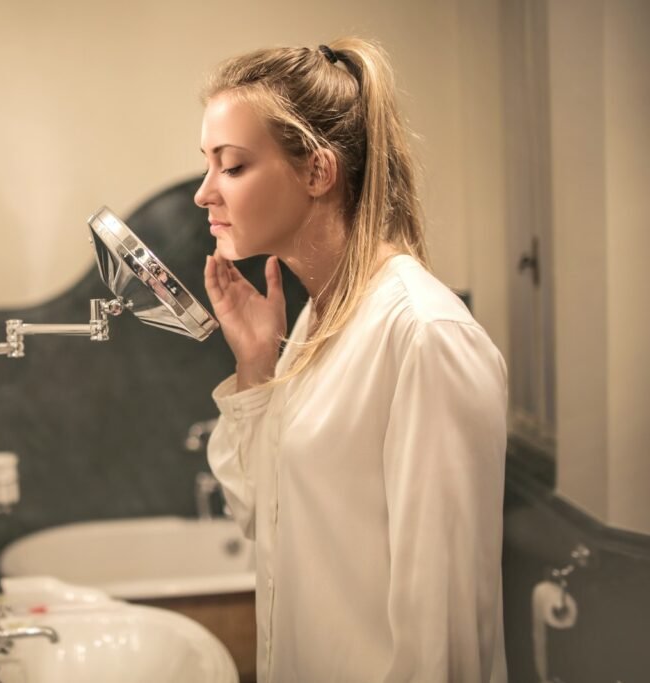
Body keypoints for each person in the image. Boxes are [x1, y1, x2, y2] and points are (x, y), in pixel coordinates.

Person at [197, 39, 508, 682]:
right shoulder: (317, 320)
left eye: (230, 167)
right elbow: (263, 513)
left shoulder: (424, 336)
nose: (204, 193)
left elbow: (443, 638)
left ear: (317, 171)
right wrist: (257, 365)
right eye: (207, 165)